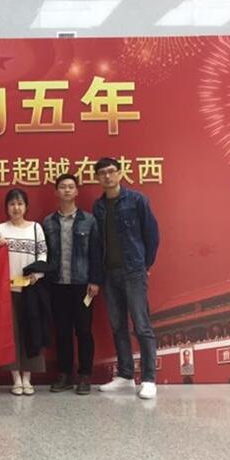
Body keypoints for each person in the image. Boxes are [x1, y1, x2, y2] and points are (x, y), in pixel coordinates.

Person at [92, 157, 160, 400]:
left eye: (111, 171)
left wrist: (145, 264)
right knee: (118, 325)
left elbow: (152, 234)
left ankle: (149, 379)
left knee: (141, 325)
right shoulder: (98, 207)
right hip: (109, 273)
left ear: (120, 174)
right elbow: (97, 243)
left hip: (133, 271)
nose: (107, 176)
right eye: (102, 173)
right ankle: (126, 375)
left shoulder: (137, 200)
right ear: (97, 178)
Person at [42, 174, 101, 395]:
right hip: (57, 285)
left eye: (70, 187)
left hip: (82, 284)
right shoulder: (48, 222)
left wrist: (95, 280)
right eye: (62, 187)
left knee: (84, 331)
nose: (67, 190)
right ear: (56, 192)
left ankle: (85, 375)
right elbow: (45, 254)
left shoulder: (89, 220)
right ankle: (64, 374)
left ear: (76, 192)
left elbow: (96, 252)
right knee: (62, 332)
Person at [0, 188, 47, 395]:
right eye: (12, 204)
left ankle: (28, 378)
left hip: (30, 288)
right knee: (11, 335)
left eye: (20, 203)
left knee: (31, 332)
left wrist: (36, 275)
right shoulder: (0, 229)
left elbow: (43, 255)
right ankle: (15, 378)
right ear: (7, 207)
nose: (16, 208)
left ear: (26, 206)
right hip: (7, 290)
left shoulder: (36, 228)